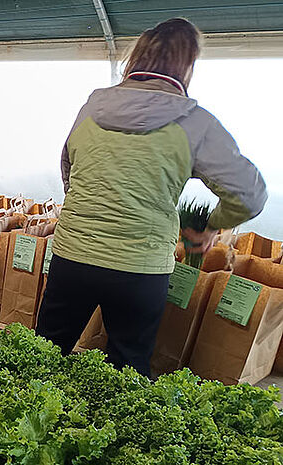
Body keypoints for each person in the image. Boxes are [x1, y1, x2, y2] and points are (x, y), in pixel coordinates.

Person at [36, 18, 267, 377]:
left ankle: (25, 427)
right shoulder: (195, 122)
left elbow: (69, 165)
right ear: (187, 66)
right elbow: (249, 194)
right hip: (139, 270)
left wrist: (89, 211)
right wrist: (209, 227)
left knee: (44, 352)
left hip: (74, 257)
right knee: (127, 369)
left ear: (136, 58)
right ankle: (108, 434)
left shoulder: (93, 106)